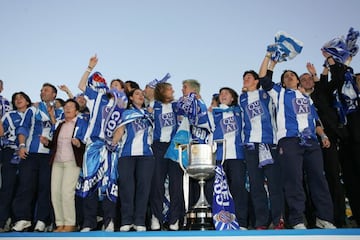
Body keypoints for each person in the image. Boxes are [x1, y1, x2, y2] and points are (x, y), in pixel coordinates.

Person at [259, 50, 336, 229]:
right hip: (290, 141)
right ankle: (297, 220)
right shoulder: (279, 93)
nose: (289, 77)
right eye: (286, 76)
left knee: (319, 179)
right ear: (283, 81)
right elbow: (263, 78)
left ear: (298, 80)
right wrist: (269, 58)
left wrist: (323, 135)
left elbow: (315, 120)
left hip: (311, 142)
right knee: (294, 180)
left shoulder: (307, 98)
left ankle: (324, 218)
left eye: (292, 75)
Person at [75, 55, 126, 232]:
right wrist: (89, 68)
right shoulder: (97, 97)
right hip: (93, 146)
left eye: (118, 85)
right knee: (89, 183)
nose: (114, 87)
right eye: (112, 84)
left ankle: (109, 221)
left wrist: (114, 142)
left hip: (111, 148)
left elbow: (120, 129)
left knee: (109, 183)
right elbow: (81, 86)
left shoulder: (123, 107)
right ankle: (88, 222)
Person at [299, 63, 346, 228]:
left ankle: (338, 219)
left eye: (308, 78)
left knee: (332, 177)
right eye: (302, 79)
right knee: (308, 180)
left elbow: (338, 79)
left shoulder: (322, 92)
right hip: (306, 142)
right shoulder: (296, 98)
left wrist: (327, 65)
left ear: (313, 80)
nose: (306, 81)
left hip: (327, 140)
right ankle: (312, 220)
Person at [12, 83, 62, 232]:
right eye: (41, 90)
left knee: (45, 188)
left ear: (54, 94)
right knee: (25, 186)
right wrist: (21, 146)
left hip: (50, 156)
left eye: (46, 90)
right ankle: (23, 219)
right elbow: (23, 128)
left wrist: (49, 141)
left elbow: (60, 132)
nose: (42, 92)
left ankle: (42, 220)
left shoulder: (59, 113)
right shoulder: (32, 109)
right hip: (31, 154)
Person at [239, 68, 284, 230]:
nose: (245, 80)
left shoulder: (267, 94)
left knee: (274, 184)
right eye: (244, 78)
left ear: (257, 81)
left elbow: (266, 77)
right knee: (256, 185)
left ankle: (278, 219)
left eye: (249, 77)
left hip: (269, 143)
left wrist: (269, 60)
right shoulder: (242, 98)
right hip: (251, 147)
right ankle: (261, 222)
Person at [40, 99, 88, 232]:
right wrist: (46, 142)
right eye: (66, 106)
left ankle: (70, 223)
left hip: (72, 161)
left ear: (77, 111)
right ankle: (60, 223)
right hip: (57, 162)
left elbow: (86, 141)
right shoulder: (60, 124)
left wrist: (79, 144)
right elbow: (54, 144)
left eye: (71, 107)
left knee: (67, 192)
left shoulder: (81, 123)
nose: (67, 109)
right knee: (55, 193)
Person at [112, 88, 155, 232]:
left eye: (142, 94)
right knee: (126, 188)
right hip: (126, 155)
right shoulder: (125, 113)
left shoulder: (149, 113)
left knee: (144, 188)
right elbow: (119, 130)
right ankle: (126, 220)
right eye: (137, 94)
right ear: (130, 98)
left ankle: (139, 220)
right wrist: (111, 144)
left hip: (146, 155)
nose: (141, 96)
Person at [212, 87, 249, 229]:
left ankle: (242, 222)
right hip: (219, 159)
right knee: (220, 191)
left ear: (233, 98)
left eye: (226, 93)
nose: (223, 95)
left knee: (238, 189)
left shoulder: (240, 111)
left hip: (237, 156)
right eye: (221, 93)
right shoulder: (214, 113)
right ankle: (222, 221)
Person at [148, 82, 184, 231]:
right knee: (157, 182)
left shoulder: (177, 105)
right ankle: (156, 216)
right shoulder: (153, 105)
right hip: (158, 146)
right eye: (169, 88)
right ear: (161, 91)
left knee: (176, 183)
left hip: (175, 145)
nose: (173, 90)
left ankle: (175, 219)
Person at [0, 92, 32, 232]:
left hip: (29, 154)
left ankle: (21, 220)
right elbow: (1, 133)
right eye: (15, 99)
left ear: (27, 101)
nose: (18, 100)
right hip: (11, 152)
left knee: (25, 187)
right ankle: (2, 221)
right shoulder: (9, 115)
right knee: (8, 187)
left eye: (21, 98)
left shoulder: (34, 113)